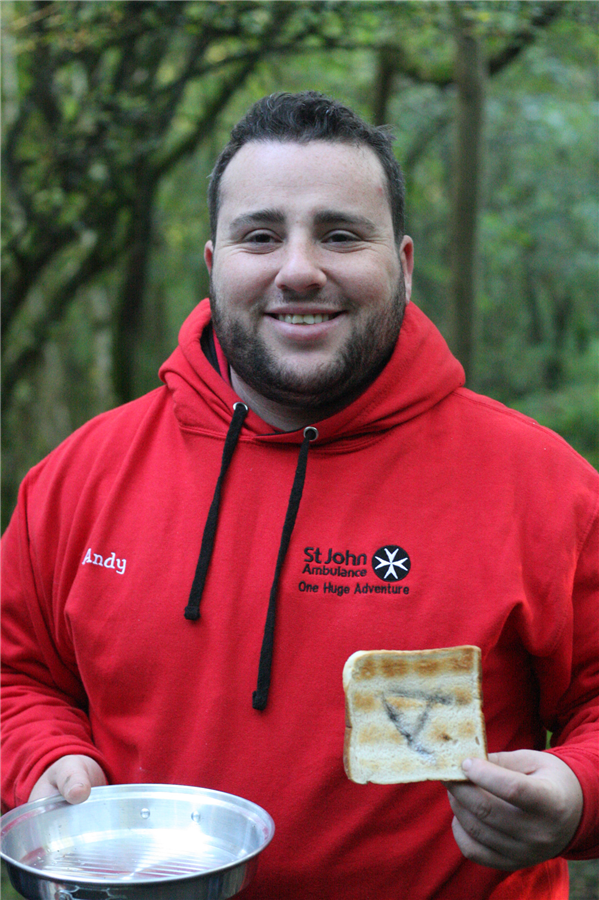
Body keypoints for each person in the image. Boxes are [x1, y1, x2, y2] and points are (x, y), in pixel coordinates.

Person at [1, 91, 597, 899]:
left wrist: (574, 793)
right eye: (260, 236)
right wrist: (43, 757)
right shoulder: (81, 477)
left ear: (404, 265)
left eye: (340, 235)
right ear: (213, 264)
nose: (298, 270)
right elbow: (17, 676)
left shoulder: (541, 485)